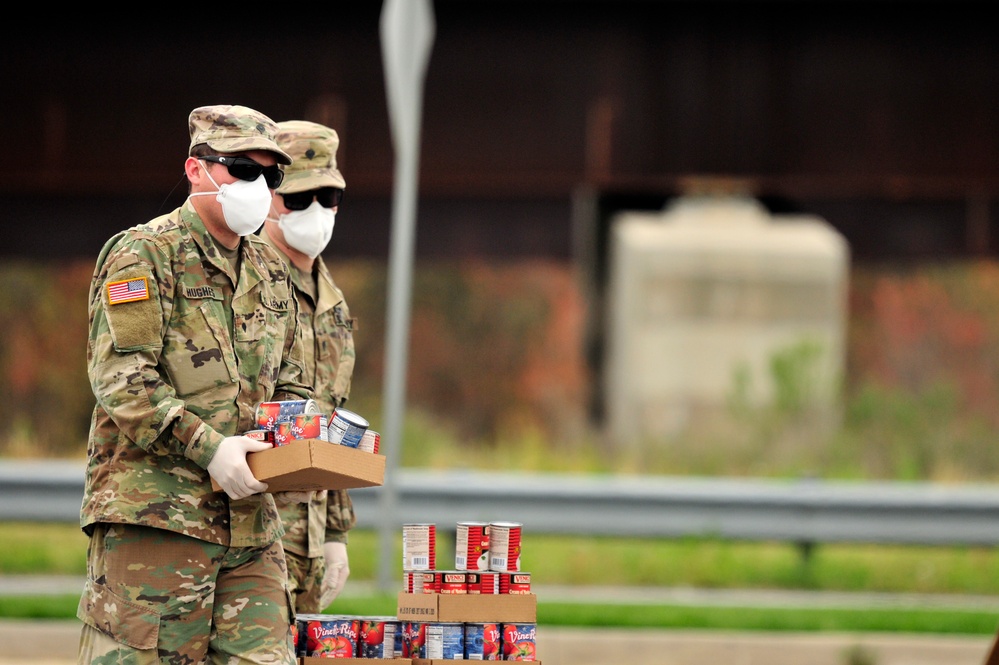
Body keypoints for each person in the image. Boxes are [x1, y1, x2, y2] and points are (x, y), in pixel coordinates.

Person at [78, 104, 312, 665]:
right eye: (242, 170)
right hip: (158, 522)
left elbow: (296, 382)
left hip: (251, 528)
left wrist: (293, 448)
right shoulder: (143, 255)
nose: (258, 187)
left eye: (271, 176)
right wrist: (210, 449)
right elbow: (123, 381)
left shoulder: (272, 269)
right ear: (196, 169)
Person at [261, 120, 358, 614]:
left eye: (328, 198)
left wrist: (336, 531)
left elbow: (331, 417)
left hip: (310, 536)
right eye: (299, 199)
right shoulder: (246, 284)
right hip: (251, 531)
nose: (315, 212)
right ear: (269, 197)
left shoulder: (332, 301)